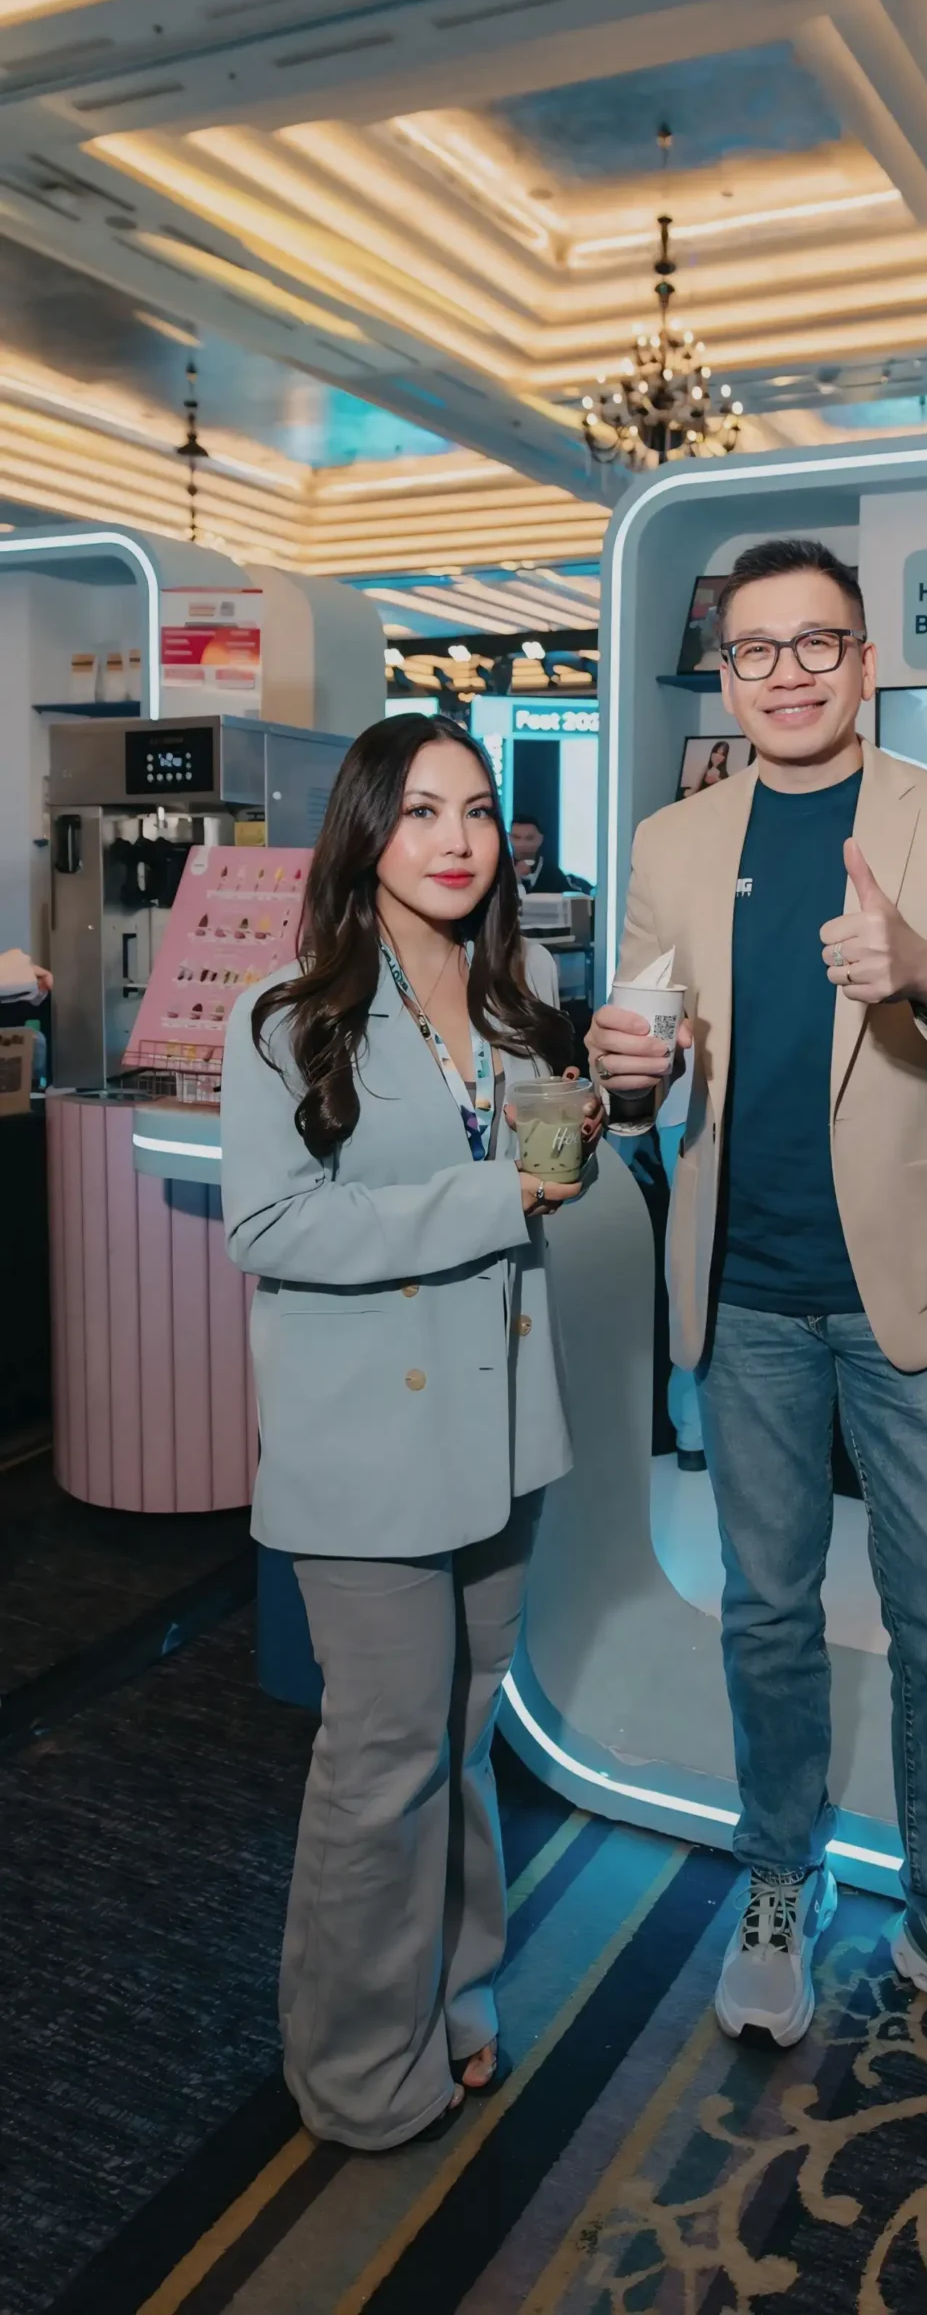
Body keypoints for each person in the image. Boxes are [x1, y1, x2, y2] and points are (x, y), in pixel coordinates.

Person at [588, 535, 927, 2089]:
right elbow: (646, 1054)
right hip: (741, 1291)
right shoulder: (672, 842)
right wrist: (628, 1073)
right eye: (756, 648)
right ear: (725, 674)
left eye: (819, 643)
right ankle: (778, 1874)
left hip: (911, 1295)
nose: (788, 672)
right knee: (765, 1612)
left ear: (866, 663)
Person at [219, 715, 599, 2151]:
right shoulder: (287, 1013)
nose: (455, 839)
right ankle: (355, 2067)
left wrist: (599, 1122)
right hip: (366, 1448)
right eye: (422, 810)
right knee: (380, 1760)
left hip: (500, 1427)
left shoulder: (526, 990)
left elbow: (545, 1161)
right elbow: (270, 1227)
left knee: (461, 1734)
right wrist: (498, 1198)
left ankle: (454, 1993)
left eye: (478, 810)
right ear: (367, 830)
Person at [510, 811, 589, 894]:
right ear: (509, 838)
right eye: (516, 837)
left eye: (529, 838)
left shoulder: (553, 874)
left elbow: (578, 897)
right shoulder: (502, 869)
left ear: (541, 839)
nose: (522, 844)